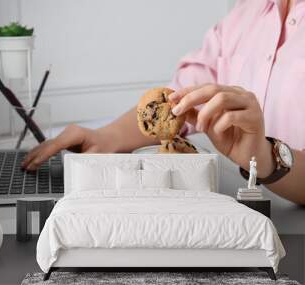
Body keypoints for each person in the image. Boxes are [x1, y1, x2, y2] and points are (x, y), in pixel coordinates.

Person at [22, 0, 305, 205]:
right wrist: (105, 137)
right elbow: (178, 100)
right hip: (234, 212)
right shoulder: (245, 14)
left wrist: (266, 159)